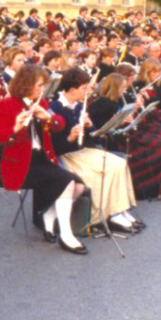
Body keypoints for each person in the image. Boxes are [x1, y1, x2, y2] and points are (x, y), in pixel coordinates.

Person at [0, 64, 88, 255]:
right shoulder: (7, 105)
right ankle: (66, 235)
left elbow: (59, 124)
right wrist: (16, 128)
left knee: (80, 187)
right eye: (39, 86)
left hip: (42, 159)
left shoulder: (42, 103)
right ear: (26, 85)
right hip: (20, 164)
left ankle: (48, 216)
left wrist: (47, 118)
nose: (42, 90)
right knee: (68, 183)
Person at [49, 68, 141, 232]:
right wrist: (70, 137)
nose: (88, 92)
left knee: (118, 163)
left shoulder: (78, 106)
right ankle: (103, 216)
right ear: (72, 90)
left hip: (82, 151)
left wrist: (90, 126)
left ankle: (119, 210)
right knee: (96, 172)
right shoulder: (55, 108)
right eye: (84, 88)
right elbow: (54, 145)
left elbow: (93, 137)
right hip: (66, 155)